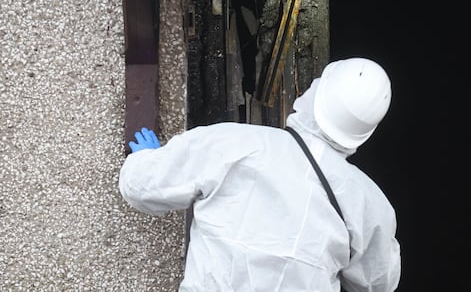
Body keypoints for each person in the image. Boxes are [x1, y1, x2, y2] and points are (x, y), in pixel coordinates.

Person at [119, 57, 401, 291]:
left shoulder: (232, 143)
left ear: (316, 92)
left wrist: (146, 158)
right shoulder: (369, 204)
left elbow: (139, 186)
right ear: (364, 133)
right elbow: (378, 283)